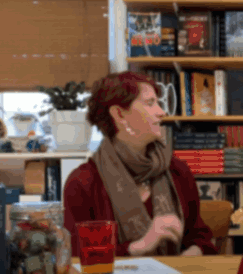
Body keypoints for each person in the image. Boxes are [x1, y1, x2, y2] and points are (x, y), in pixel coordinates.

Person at [63, 71, 217, 257]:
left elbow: (200, 237)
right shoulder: (83, 183)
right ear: (119, 114)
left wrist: (192, 254)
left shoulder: (178, 171)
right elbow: (78, 253)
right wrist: (139, 246)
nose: (161, 112)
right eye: (150, 103)